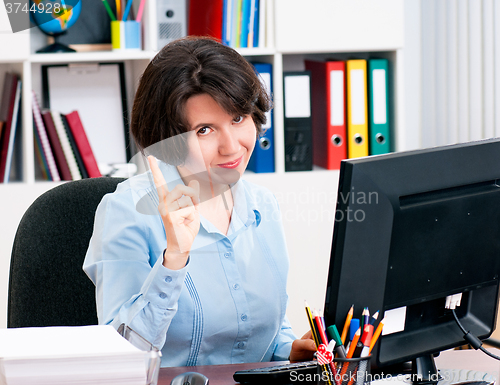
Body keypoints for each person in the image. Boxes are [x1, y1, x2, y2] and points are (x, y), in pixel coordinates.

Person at [83, 36, 316, 367]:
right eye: (205, 130)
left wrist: (288, 350)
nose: (232, 146)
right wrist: (174, 259)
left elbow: (268, 328)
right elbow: (124, 357)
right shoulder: (127, 211)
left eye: (238, 119)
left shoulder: (262, 205)